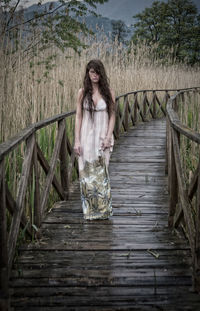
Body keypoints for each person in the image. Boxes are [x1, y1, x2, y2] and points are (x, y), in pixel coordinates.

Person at [73, 59, 115, 220]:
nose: (94, 75)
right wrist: (77, 140)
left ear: (101, 73)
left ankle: (103, 211)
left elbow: (112, 115)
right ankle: (90, 212)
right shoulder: (82, 92)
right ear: (87, 73)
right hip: (85, 138)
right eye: (91, 72)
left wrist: (108, 137)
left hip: (102, 137)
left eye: (97, 72)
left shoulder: (108, 92)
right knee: (86, 174)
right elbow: (78, 116)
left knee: (102, 175)